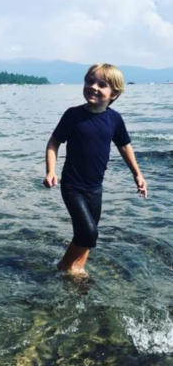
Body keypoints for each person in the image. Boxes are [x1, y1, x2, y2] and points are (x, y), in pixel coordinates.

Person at [43, 63, 147, 278]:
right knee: (89, 233)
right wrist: (51, 171)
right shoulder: (73, 115)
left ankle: (78, 269)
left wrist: (137, 173)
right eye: (90, 81)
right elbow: (54, 143)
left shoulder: (114, 119)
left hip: (95, 188)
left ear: (114, 93)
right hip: (72, 186)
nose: (94, 87)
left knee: (86, 234)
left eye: (102, 84)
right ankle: (64, 266)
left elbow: (124, 146)